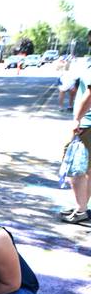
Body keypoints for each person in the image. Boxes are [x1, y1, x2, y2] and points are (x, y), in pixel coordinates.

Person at [62, 41, 91, 225]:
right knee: (87, 169)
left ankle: (81, 209)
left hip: (87, 123)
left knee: (74, 166)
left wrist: (77, 119)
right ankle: (83, 207)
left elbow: (89, 95)